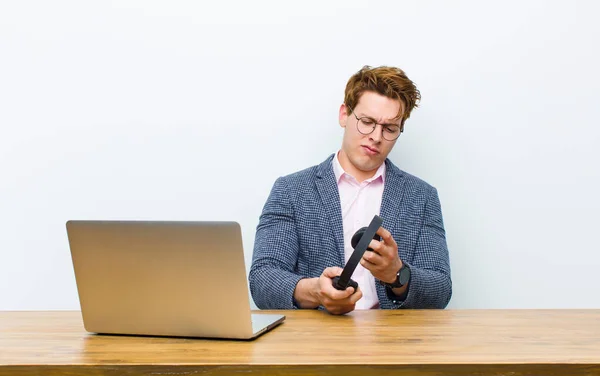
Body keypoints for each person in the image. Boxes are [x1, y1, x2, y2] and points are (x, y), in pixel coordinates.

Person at [249, 65, 451, 314]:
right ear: (344, 115)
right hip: (315, 343)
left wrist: (397, 275)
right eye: (367, 122)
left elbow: (441, 289)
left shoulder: (422, 197)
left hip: (393, 344)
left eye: (389, 129)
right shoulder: (291, 191)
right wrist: (315, 291)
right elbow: (262, 279)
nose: (376, 136)